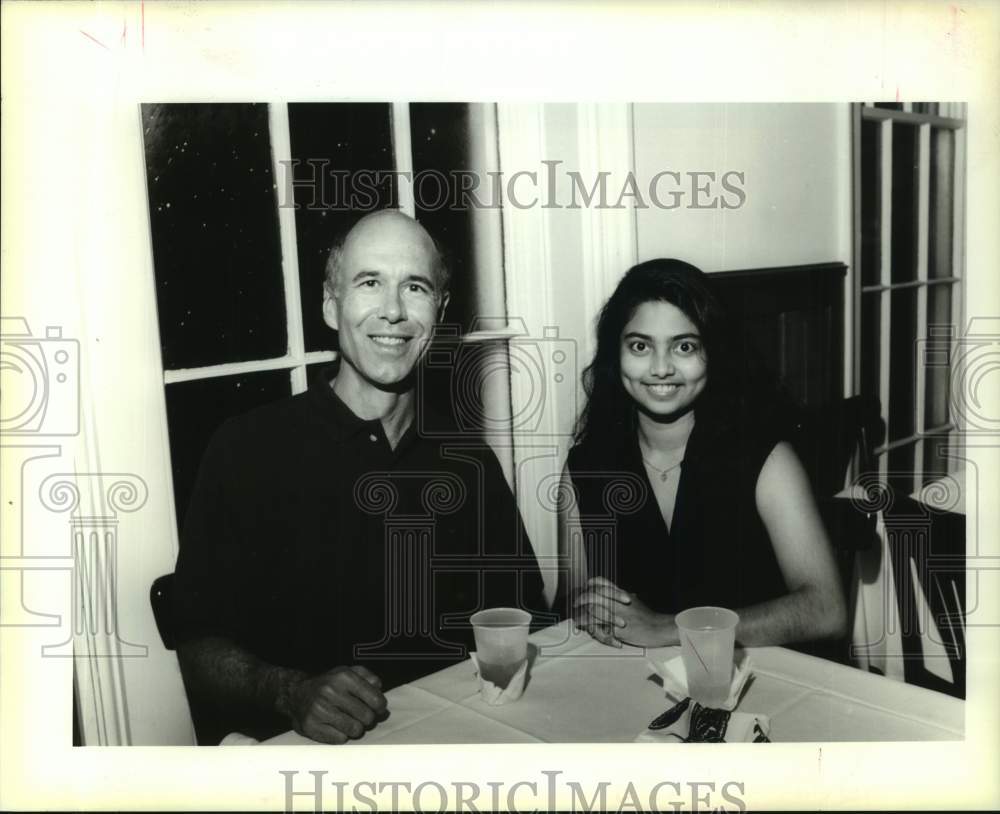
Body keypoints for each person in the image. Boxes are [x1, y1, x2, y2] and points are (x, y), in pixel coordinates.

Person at [172, 210, 548, 744]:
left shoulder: (467, 459)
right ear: (331, 304)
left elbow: (522, 613)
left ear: (438, 313)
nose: (393, 311)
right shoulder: (246, 450)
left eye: (414, 287)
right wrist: (290, 691)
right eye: (369, 282)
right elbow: (199, 646)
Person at [561, 259, 846, 650]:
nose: (661, 368)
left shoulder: (768, 461)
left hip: (755, 683)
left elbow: (827, 611)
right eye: (640, 346)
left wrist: (665, 628)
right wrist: (587, 611)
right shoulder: (585, 467)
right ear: (616, 355)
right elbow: (576, 604)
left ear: (713, 353)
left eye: (684, 346)